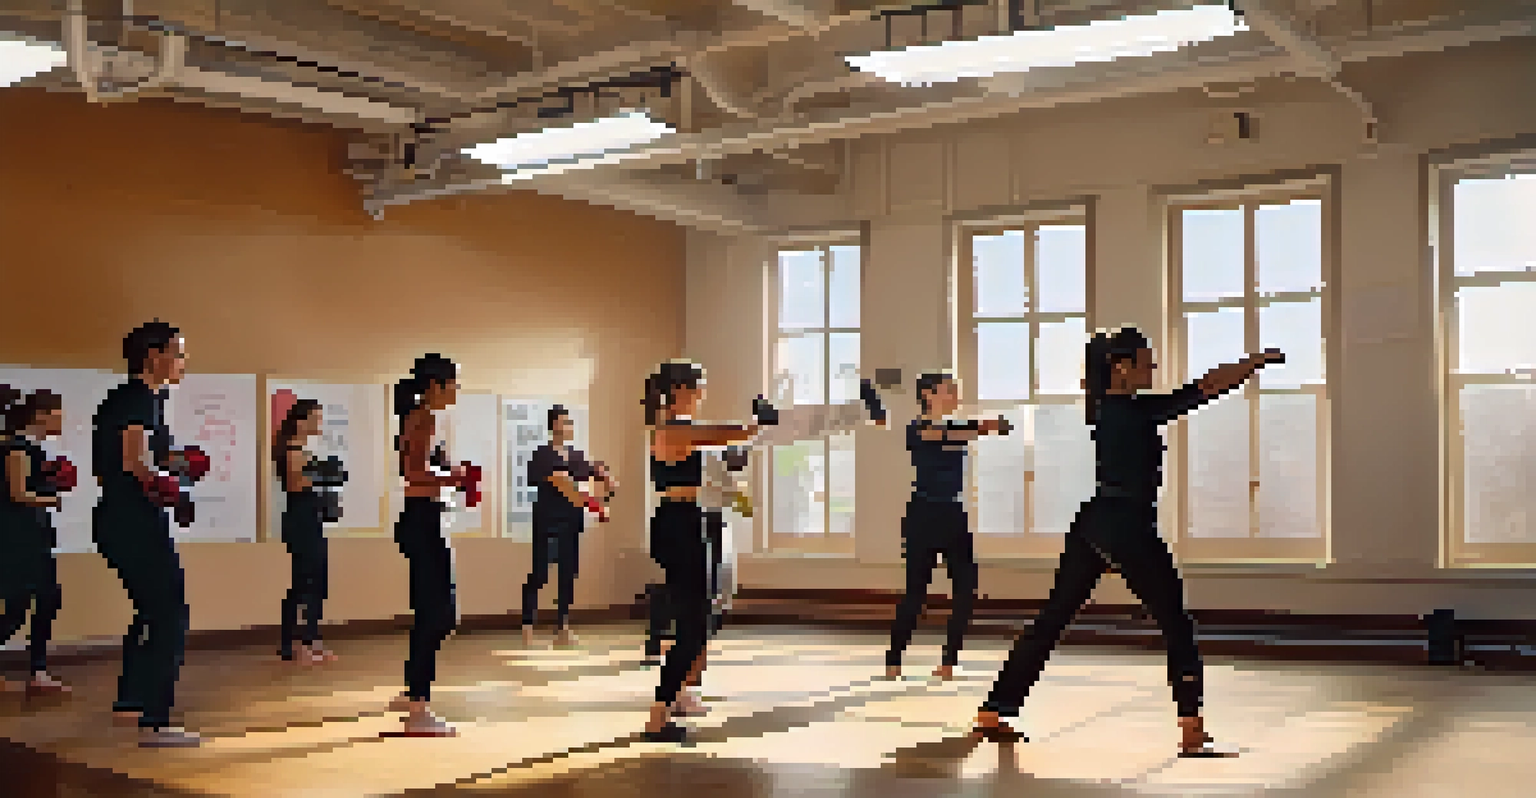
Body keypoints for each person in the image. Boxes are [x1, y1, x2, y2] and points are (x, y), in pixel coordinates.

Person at [971, 327, 1284, 757]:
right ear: (1121, 366)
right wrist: (1253, 364)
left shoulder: (1108, 407)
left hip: (1096, 523)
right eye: (1144, 360)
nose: (1152, 366)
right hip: (1126, 525)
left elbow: (1200, 388)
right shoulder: (1126, 411)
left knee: (1053, 618)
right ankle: (1192, 731)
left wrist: (1246, 367)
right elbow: (1204, 389)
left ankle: (995, 708)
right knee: (1175, 620)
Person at [640, 360, 780, 743]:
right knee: (696, 624)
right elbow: (737, 434)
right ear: (680, 390)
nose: (703, 392)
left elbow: (734, 448)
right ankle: (660, 714)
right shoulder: (673, 429)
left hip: (688, 521)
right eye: (698, 386)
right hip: (678, 525)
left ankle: (664, 709)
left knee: (698, 623)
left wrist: (756, 430)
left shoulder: (682, 430)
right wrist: (759, 422)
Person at [91, 321, 202, 747]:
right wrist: (172, 490)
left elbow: (140, 460)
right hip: (133, 519)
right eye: (178, 353)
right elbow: (135, 463)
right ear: (153, 356)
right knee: (170, 615)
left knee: (150, 611)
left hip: (123, 518)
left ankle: (131, 703)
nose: (183, 362)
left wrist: (180, 465)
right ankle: (155, 721)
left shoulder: (142, 400)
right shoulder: (137, 398)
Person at [886, 371, 1011, 682]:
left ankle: (948, 662)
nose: (955, 395)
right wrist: (984, 427)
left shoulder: (958, 427)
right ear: (928, 395)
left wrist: (989, 427)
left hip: (953, 513)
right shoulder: (916, 429)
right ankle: (894, 659)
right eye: (948, 390)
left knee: (966, 589)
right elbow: (937, 435)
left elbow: (956, 432)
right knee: (916, 593)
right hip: (922, 515)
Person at [383, 354, 475, 737]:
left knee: (430, 611)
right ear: (435, 385)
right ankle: (419, 709)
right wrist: (455, 476)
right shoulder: (425, 418)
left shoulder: (419, 417)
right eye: (453, 383)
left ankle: (412, 694)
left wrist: (451, 477)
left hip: (422, 519)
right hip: (424, 520)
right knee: (441, 614)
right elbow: (415, 472)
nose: (457, 390)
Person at [520, 404, 615, 649]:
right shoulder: (542, 454)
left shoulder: (578, 456)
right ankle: (528, 624)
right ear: (553, 425)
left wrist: (605, 480)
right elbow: (559, 481)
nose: (569, 426)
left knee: (568, 573)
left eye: (570, 422)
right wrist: (590, 501)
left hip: (572, 521)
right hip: (547, 520)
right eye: (564, 421)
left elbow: (597, 481)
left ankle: (562, 626)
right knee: (540, 573)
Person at [0, 386, 71, 696]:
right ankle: (37, 671)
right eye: (57, 414)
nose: (62, 420)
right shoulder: (16, 448)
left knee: (47, 601)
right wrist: (50, 498)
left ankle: (38, 672)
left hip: (35, 535)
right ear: (40, 416)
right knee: (17, 607)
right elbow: (18, 494)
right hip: (18, 538)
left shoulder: (35, 450)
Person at [273, 398, 338, 665]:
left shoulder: (302, 449)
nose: (319, 423)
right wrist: (322, 474)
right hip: (301, 522)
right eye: (315, 418)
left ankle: (310, 641)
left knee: (316, 580)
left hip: (310, 519)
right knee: (305, 582)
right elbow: (294, 484)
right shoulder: (292, 449)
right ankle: (297, 646)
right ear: (301, 421)